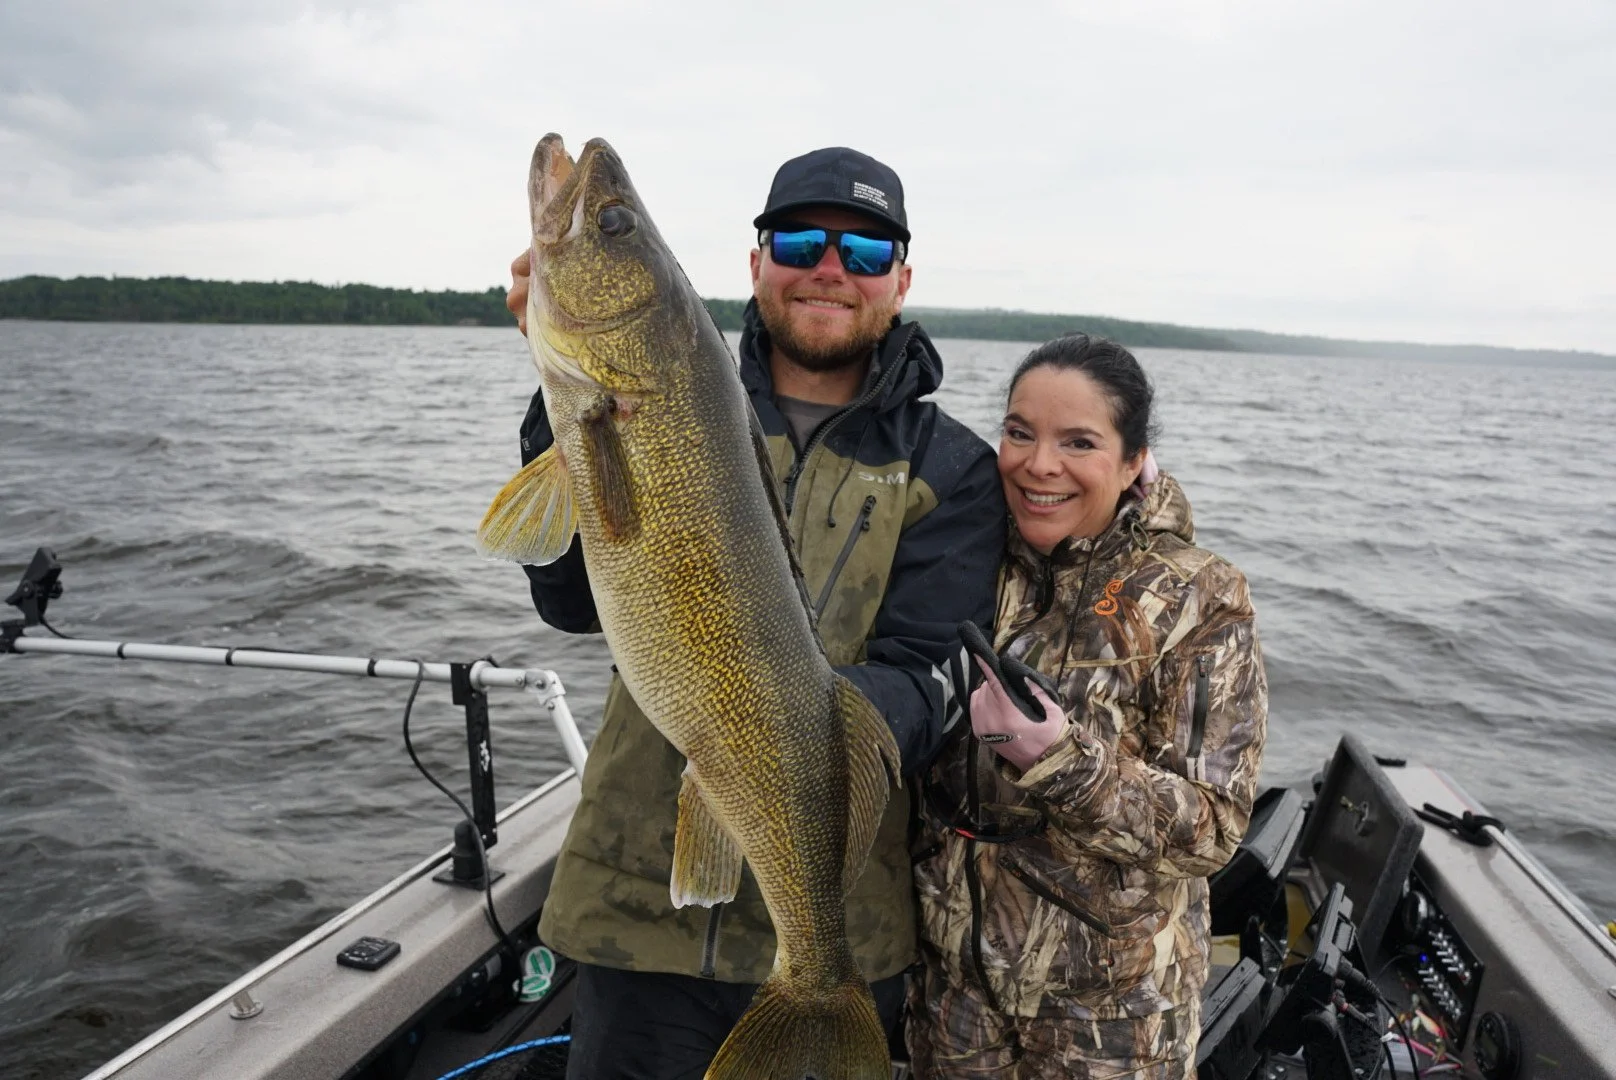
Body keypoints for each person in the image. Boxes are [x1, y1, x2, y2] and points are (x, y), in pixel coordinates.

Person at [503, 146, 1007, 1077]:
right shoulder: (674, 400)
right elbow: (567, 602)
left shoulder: (955, 470)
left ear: (900, 281)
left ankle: (810, 984)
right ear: (754, 263)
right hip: (638, 919)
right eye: (802, 241)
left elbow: (932, 673)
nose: (829, 268)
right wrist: (558, 405)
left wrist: (784, 740)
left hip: (841, 918)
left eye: (863, 254)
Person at [908, 335, 1268, 1078]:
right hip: (951, 998)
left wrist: (1062, 762)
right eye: (1019, 433)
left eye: (1079, 442)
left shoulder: (1198, 595)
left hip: (1112, 1021)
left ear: (1133, 460)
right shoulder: (960, 553)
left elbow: (1214, 827)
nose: (1040, 464)